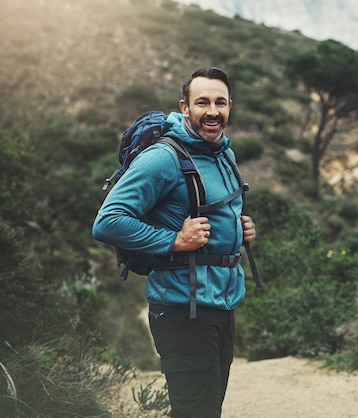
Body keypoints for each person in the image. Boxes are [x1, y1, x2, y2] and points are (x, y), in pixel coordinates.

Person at [93, 67, 255, 418]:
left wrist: (240, 230)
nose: (213, 111)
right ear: (185, 107)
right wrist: (174, 241)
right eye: (202, 102)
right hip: (182, 308)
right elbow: (107, 221)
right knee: (197, 411)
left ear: (230, 106)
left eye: (220, 102)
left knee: (205, 408)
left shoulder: (224, 154)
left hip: (221, 304)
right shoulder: (163, 158)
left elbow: (210, 211)